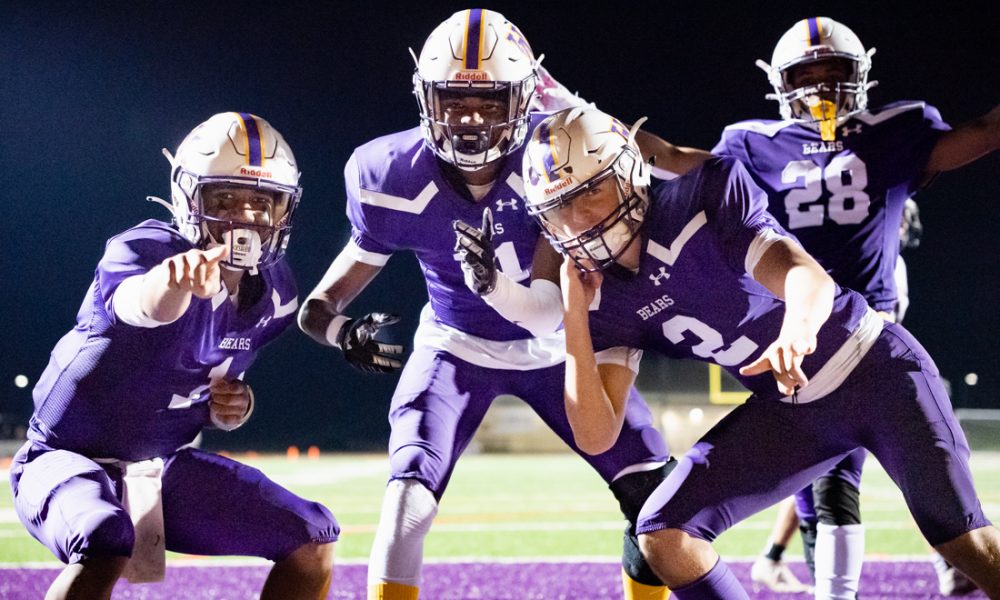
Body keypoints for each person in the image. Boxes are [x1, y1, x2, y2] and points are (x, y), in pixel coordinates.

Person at [519, 105, 1000, 600]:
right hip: (792, 410)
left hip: (875, 370)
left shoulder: (703, 198)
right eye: (560, 208)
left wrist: (798, 328)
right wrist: (573, 314)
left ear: (628, 174)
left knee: (961, 537)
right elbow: (596, 435)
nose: (578, 220)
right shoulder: (599, 298)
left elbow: (801, 273)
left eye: (590, 193)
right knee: (664, 534)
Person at [297, 9, 672, 600]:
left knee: (655, 497)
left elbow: (550, 307)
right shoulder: (388, 175)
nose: (471, 119)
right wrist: (343, 330)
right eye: (454, 101)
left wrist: (494, 285)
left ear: (524, 100)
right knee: (406, 505)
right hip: (455, 346)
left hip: (560, 346)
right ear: (426, 99)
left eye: (491, 102)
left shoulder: (556, 158)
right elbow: (318, 305)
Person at [707, 17, 1000, 597]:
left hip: (866, 333)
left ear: (859, 76)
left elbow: (982, 131)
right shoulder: (748, 143)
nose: (819, 88)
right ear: (782, 83)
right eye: (807, 76)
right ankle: (937, 565)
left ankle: (927, 566)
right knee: (841, 478)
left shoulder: (893, 129)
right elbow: (681, 167)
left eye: (832, 73)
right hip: (796, 330)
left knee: (855, 477)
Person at [8, 112, 338, 600]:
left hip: (162, 464)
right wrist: (174, 281)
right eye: (225, 199)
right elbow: (137, 306)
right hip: (65, 456)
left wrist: (235, 405)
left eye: (260, 202)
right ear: (189, 198)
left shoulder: (276, 292)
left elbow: (215, 373)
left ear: (282, 211)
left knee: (312, 537)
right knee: (104, 538)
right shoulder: (146, 251)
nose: (245, 217)